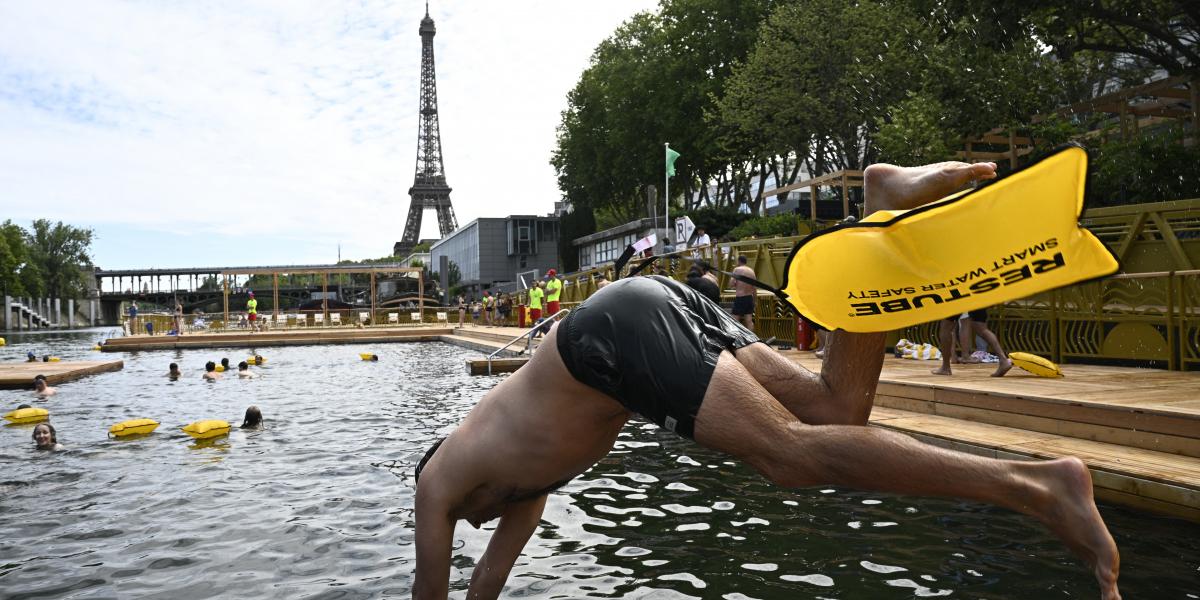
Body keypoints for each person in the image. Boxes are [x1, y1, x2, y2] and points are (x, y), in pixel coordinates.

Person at [412, 160, 1120, 600]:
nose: (481, 529)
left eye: (467, 526)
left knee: (788, 454)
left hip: (611, 339)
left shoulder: (438, 481)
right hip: (649, 312)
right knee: (836, 408)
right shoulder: (520, 483)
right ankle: (880, 204)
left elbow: (431, 589)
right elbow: (487, 584)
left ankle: (1034, 486)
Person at [932, 309, 1014, 377]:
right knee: (981, 328)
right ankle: (1004, 360)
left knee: (946, 327)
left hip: (960, 295)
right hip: (977, 295)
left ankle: (946, 367)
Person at [730, 255, 757, 330]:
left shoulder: (737, 269)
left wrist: (735, 284)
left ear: (738, 261)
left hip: (740, 298)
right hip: (749, 298)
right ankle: (752, 339)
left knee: (735, 320)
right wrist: (755, 300)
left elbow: (731, 284)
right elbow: (754, 288)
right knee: (749, 320)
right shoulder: (751, 271)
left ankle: (737, 339)